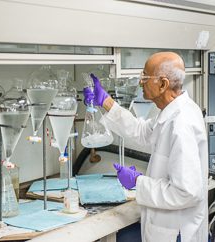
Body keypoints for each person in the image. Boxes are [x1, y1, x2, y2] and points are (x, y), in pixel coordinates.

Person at [84, 52, 208, 242]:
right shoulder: (171, 113)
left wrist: (138, 182)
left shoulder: (182, 124)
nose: (140, 82)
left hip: (177, 233)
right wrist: (106, 102)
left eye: (145, 76)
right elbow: (142, 131)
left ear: (163, 84)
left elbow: (187, 193)